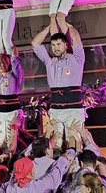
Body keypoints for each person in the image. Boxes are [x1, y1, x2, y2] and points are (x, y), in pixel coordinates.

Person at [31, 18, 85, 147]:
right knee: (55, 143)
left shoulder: (76, 59)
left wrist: (66, 24)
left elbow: (76, 38)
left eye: (59, 44)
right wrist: (48, 28)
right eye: (53, 45)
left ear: (65, 45)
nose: (55, 48)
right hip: (56, 108)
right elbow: (35, 43)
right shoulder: (49, 62)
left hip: (73, 108)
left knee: (73, 140)